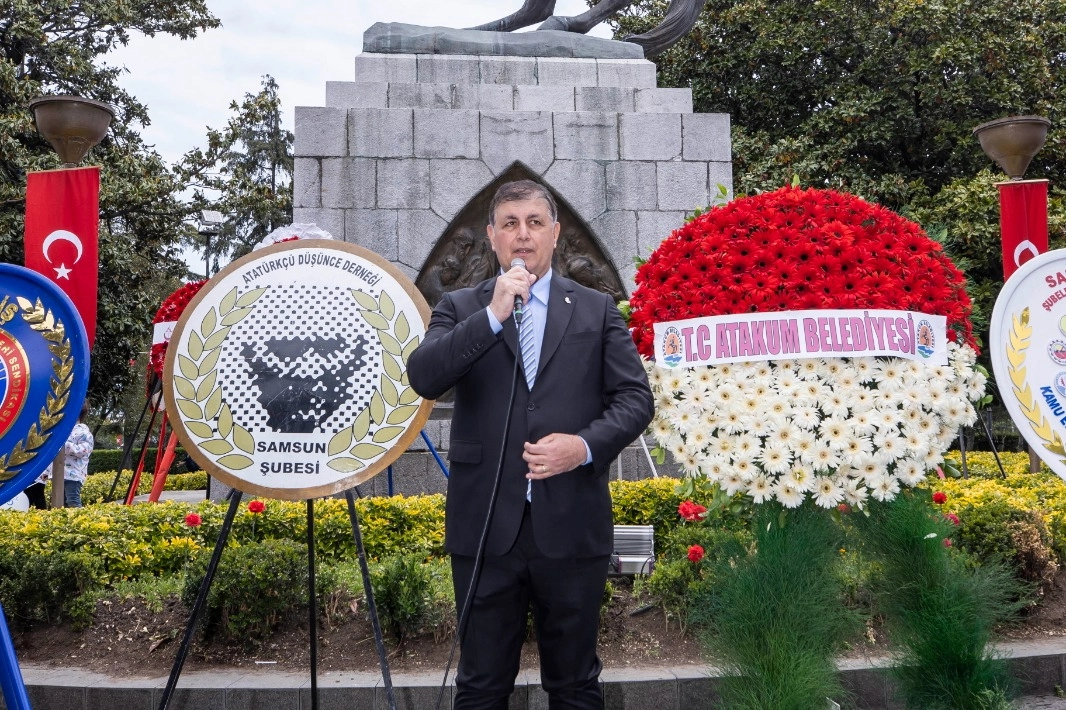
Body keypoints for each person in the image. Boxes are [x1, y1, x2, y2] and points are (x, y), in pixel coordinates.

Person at [407, 179, 654, 710]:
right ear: (493, 236)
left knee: (575, 686)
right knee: (479, 688)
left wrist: (583, 447)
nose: (523, 236)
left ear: (556, 234)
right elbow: (425, 377)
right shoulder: (460, 307)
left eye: (535, 223)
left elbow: (635, 399)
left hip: (571, 525)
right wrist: (493, 315)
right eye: (511, 224)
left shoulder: (596, 308)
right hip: (484, 531)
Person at [62, 401, 93, 508]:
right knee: (62, 504)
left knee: (73, 501)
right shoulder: (65, 430)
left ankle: (80, 522)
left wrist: (63, 446)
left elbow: (83, 450)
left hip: (74, 475)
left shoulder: (83, 432)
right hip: (60, 474)